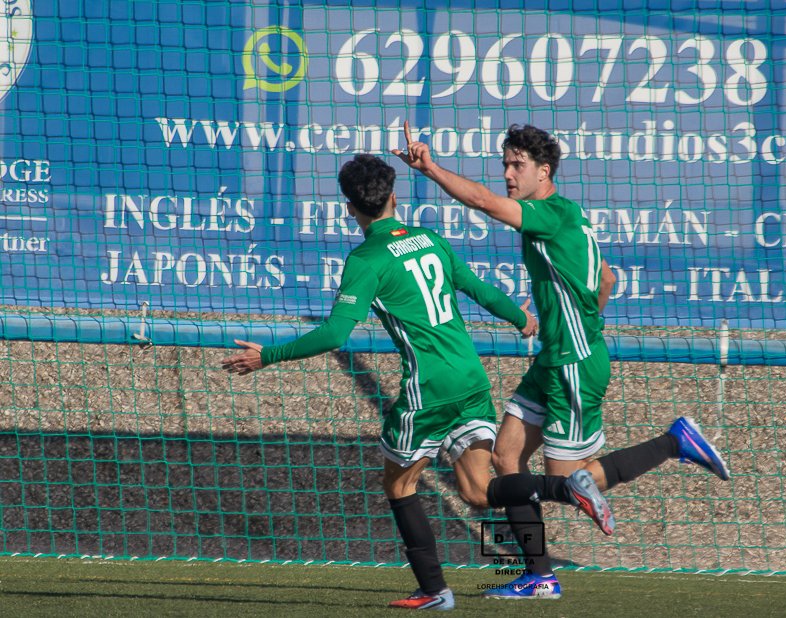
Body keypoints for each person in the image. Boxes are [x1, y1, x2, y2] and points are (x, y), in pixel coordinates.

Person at [222, 154, 617, 611]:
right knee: (477, 491)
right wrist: (518, 317)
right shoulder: (429, 239)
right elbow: (475, 286)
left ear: (350, 208)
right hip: (470, 378)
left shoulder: (365, 260)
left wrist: (266, 356)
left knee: (398, 486)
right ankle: (565, 490)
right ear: (394, 197)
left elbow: (334, 333)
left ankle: (434, 590)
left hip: (428, 389)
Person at [393, 123, 731, 600]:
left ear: (543, 171)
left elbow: (485, 204)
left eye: (518, 166)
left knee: (563, 483)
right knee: (506, 458)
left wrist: (428, 168)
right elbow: (607, 280)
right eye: (505, 164)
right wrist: (572, 323)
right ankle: (540, 575)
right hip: (556, 357)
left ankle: (673, 442)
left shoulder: (548, 215)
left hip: (574, 363)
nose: (509, 174)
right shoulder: (568, 214)